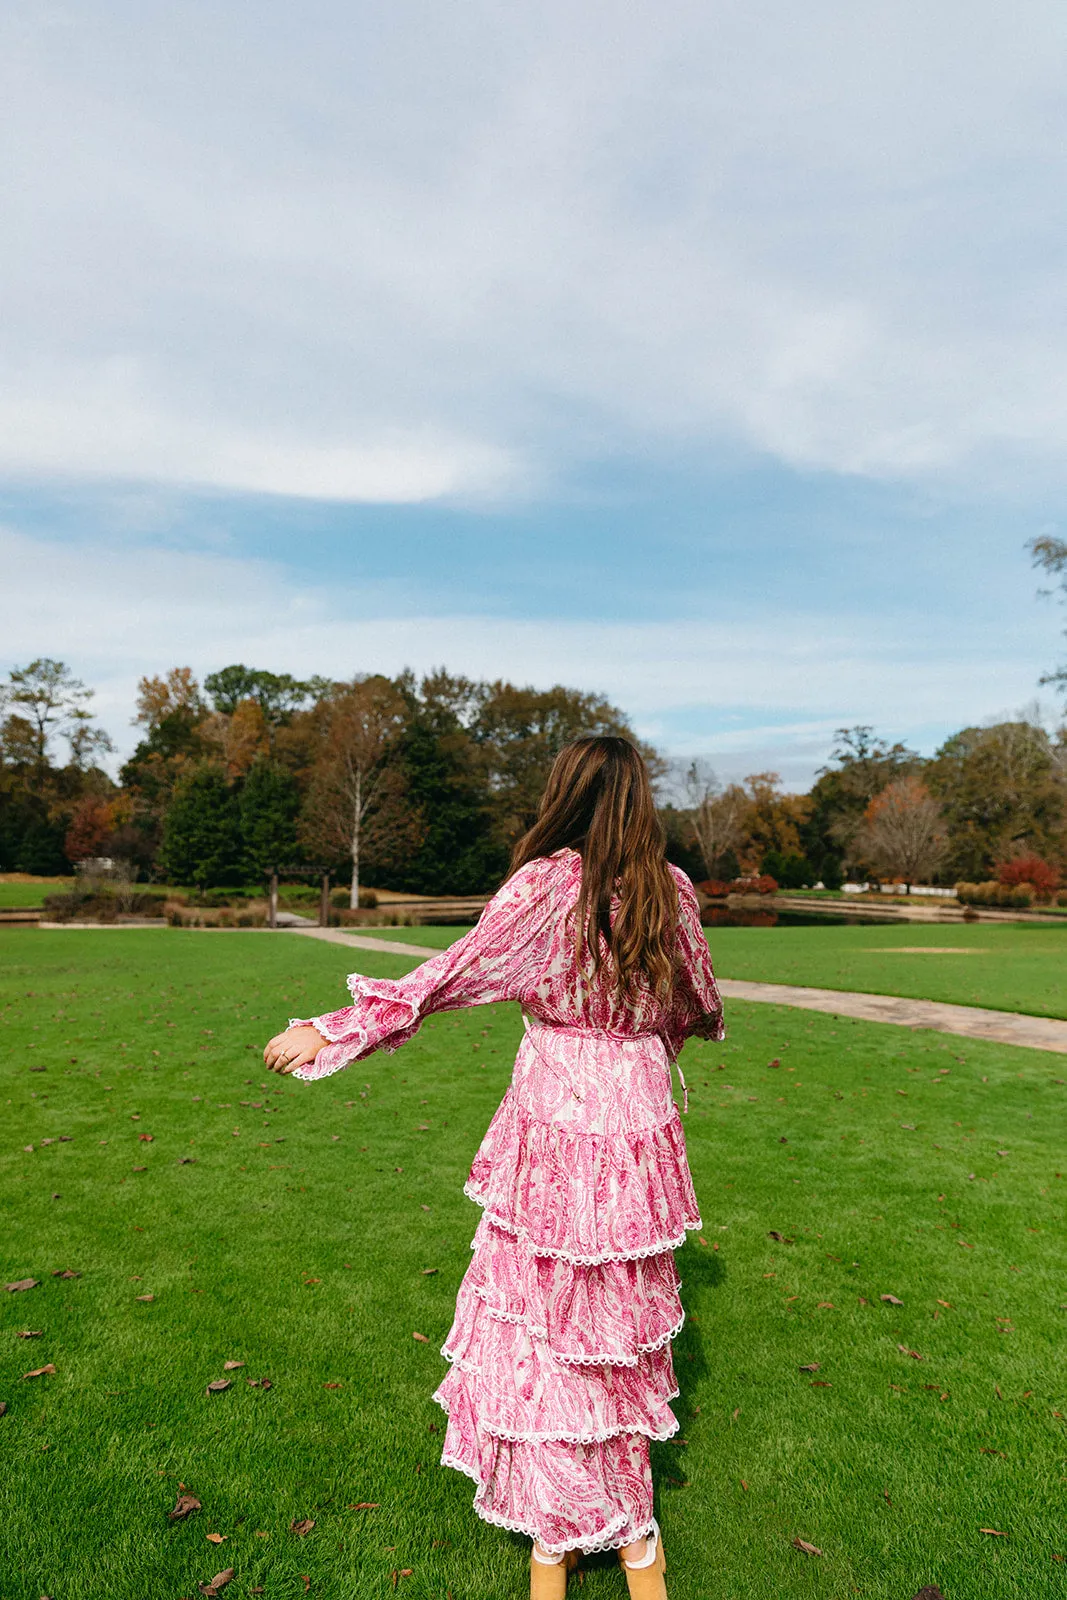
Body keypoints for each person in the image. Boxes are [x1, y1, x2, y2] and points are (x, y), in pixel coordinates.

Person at [264, 735, 724, 1598]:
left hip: (563, 1111)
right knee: (604, 1324)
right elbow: (698, 1002)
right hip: (635, 1114)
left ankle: (571, 1536)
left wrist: (332, 1028)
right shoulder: (672, 892)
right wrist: (646, 1038)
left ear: (566, 793)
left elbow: (450, 976)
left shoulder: (549, 885)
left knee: (550, 1320)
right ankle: (621, 1542)